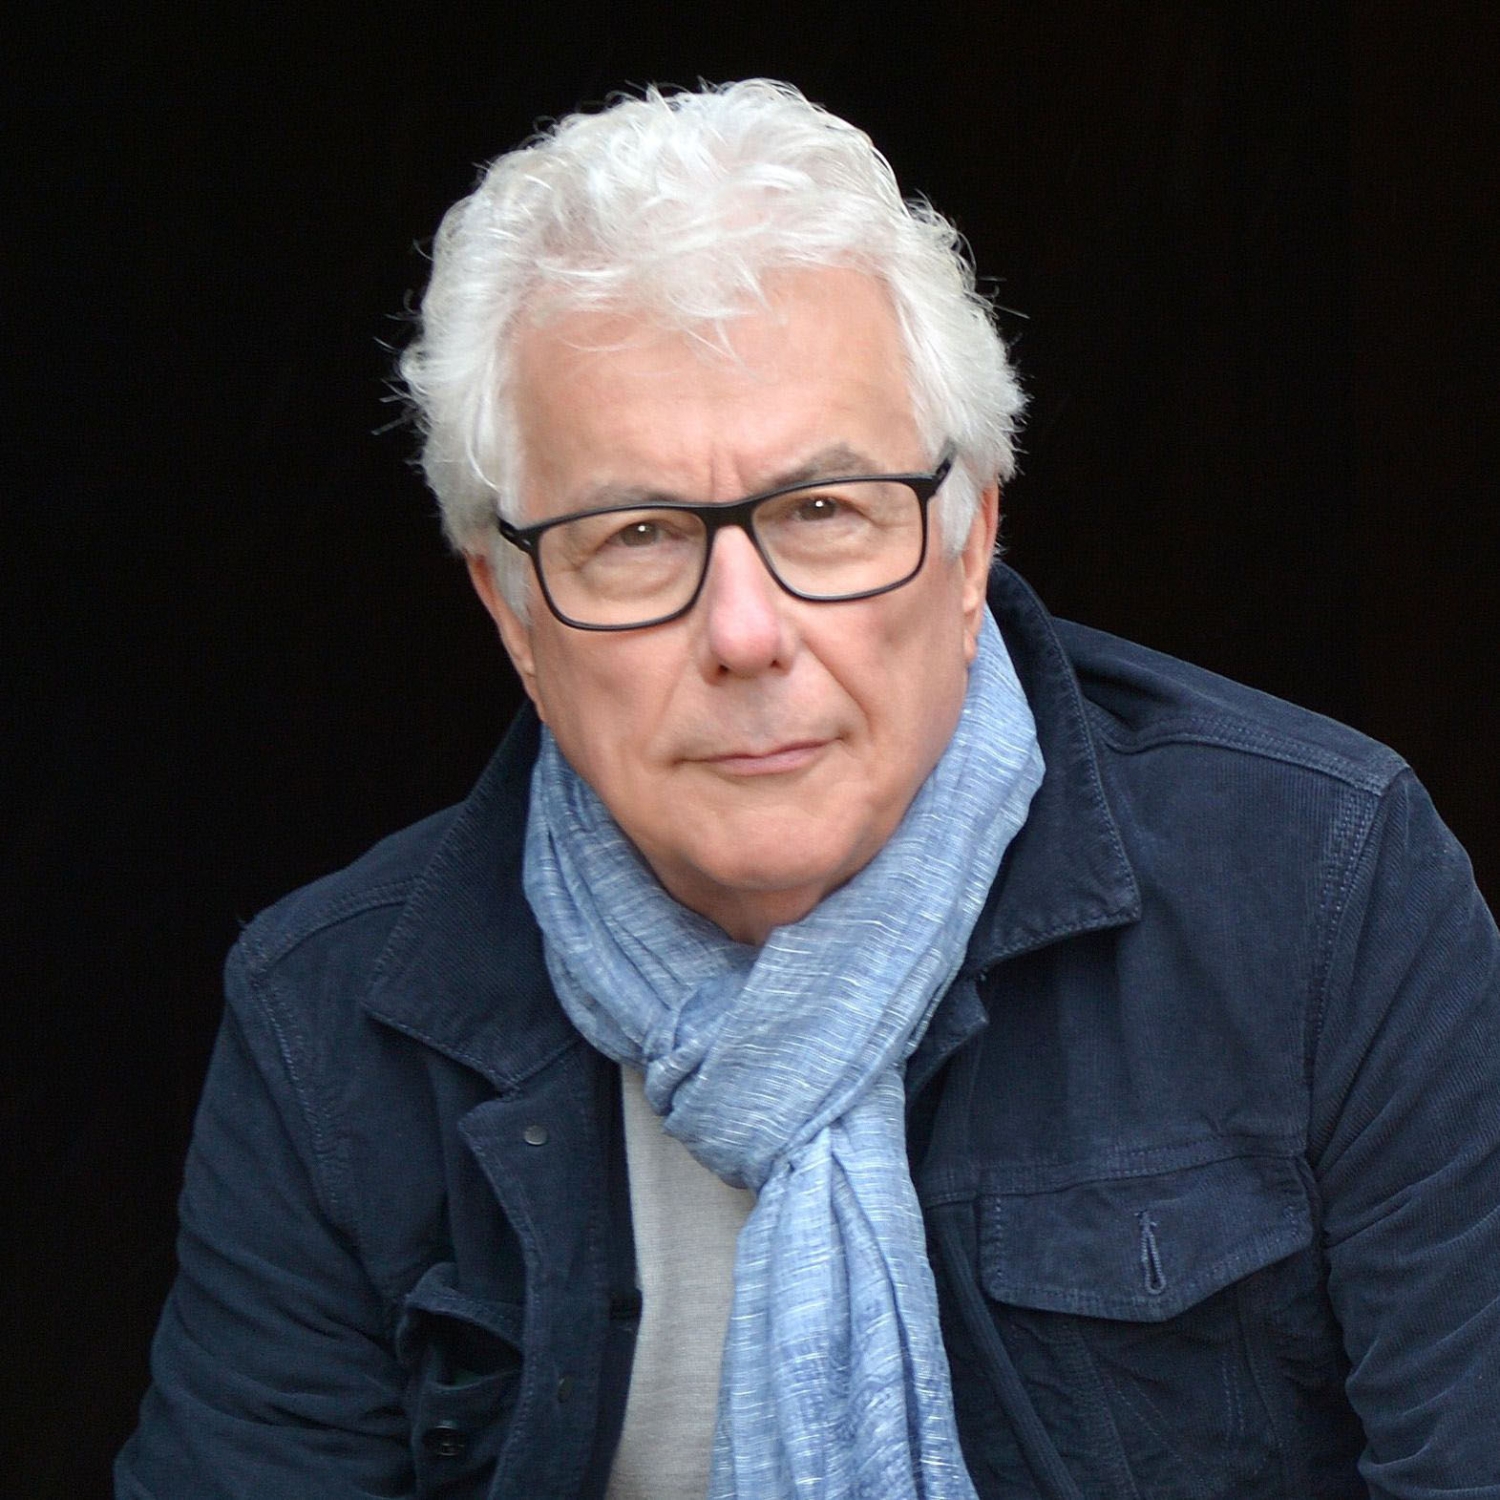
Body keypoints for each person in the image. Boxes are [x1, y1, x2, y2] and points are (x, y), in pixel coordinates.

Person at [117, 80, 1500, 1500]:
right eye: (635, 534)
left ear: (971, 543)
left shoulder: (1324, 895)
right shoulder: (329, 1025)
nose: (744, 632)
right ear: (512, 610)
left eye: (823, 511)